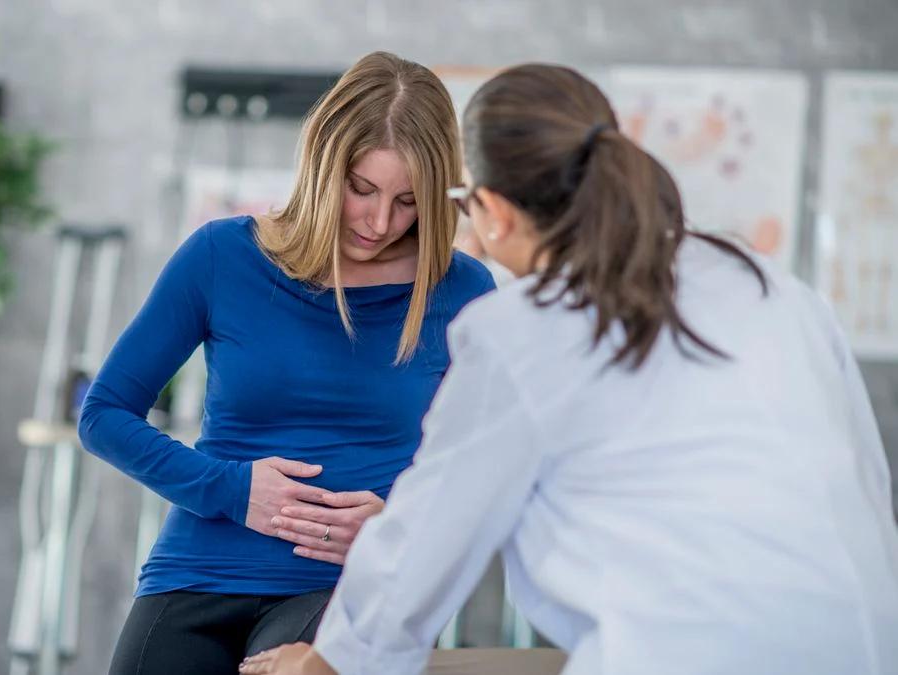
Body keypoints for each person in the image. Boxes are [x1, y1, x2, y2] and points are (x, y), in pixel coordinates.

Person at [239, 64, 898, 675]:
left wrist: (329, 662)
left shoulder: (522, 329)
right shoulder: (771, 287)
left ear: (492, 214)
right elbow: (864, 484)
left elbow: (425, 539)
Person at [77, 51, 495, 675]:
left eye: (408, 201)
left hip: (346, 584)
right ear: (325, 163)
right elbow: (103, 414)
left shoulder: (461, 291)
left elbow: (488, 463)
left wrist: (403, 524)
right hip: (198, 568)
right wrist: (233, 490)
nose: (381, 222)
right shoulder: (221, 257)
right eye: (363, 189)